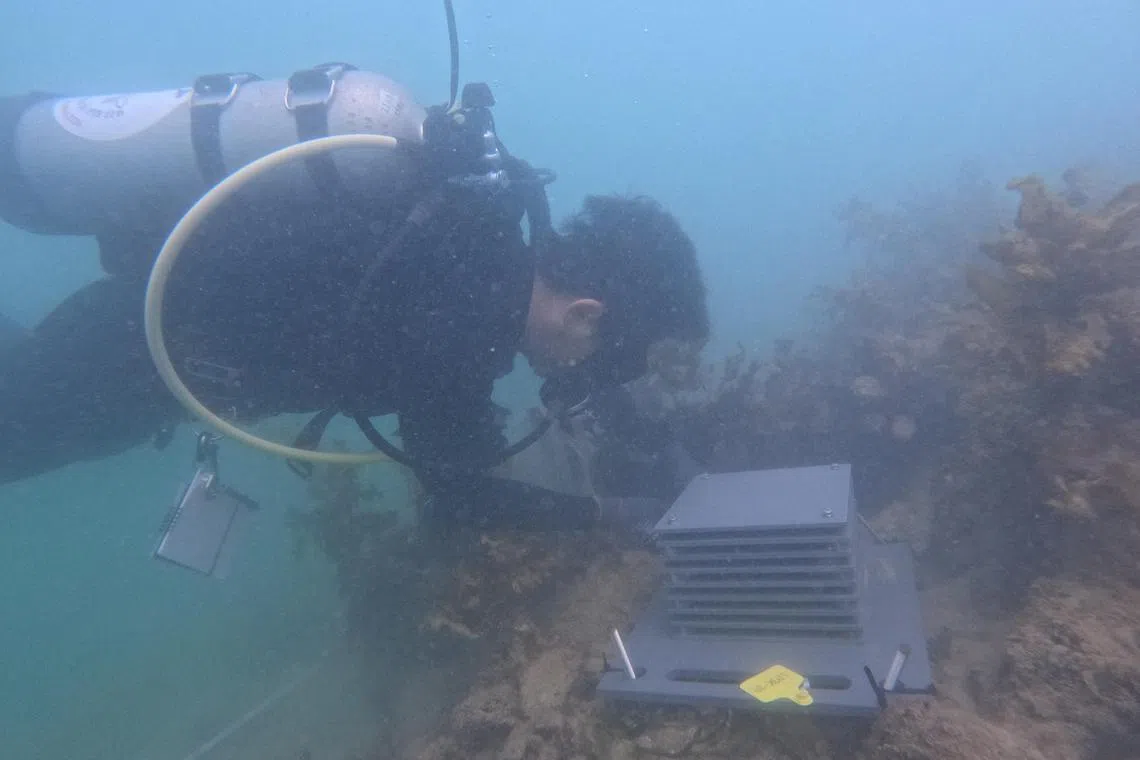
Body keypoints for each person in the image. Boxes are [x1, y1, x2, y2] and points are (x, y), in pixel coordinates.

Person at [0, 157, 709, 532]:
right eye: (603, 361)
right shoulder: (461, 325)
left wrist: (654, 438)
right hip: (119, 369)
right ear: (584, 313)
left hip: (124, 337)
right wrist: (607, 517)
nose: (584, 378)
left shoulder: (469, 244)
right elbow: (459, 499)